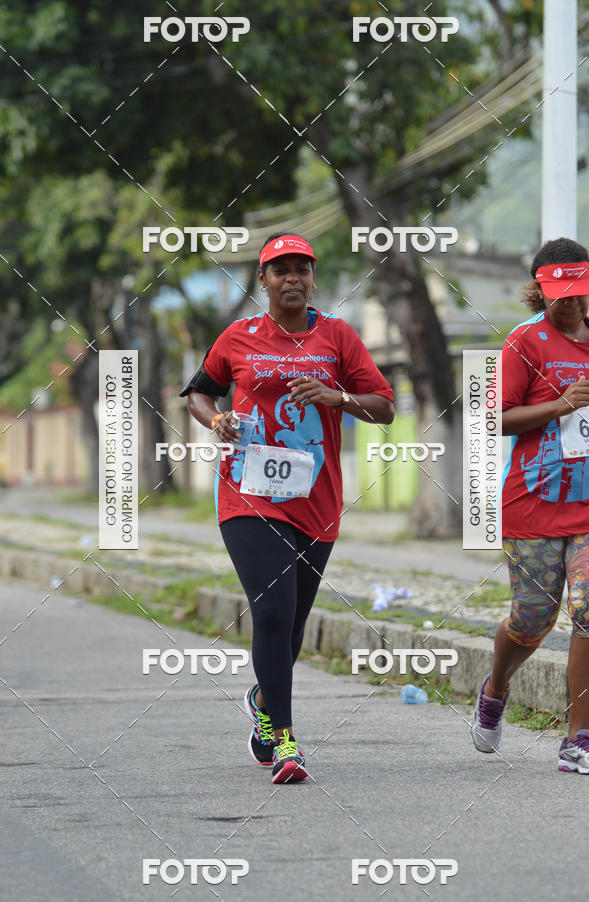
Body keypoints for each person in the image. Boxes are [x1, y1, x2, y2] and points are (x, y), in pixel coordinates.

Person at [181, 232, 395, 784]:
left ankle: (262, 700)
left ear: (314, 277)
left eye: (301, 268)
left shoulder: (338, 336)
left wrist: (337, 397)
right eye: (281, 270)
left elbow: (385, 407)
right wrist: (216, 420)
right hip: (248, 491)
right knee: (272, 611)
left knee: (293, 625)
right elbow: (200, 392)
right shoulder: (239, 336)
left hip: (316, 498)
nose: (292, 278)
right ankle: (284, 741)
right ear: (264, 280)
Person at [470, 237, 589, 773]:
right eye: (560, 295)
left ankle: (579, 736)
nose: (571, 303)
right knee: (531, 621)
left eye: (579, 293)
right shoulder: (524, 344)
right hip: (532, 508)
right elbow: (492, 419)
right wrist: (557, 406)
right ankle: (496, 687)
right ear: (539, 290)